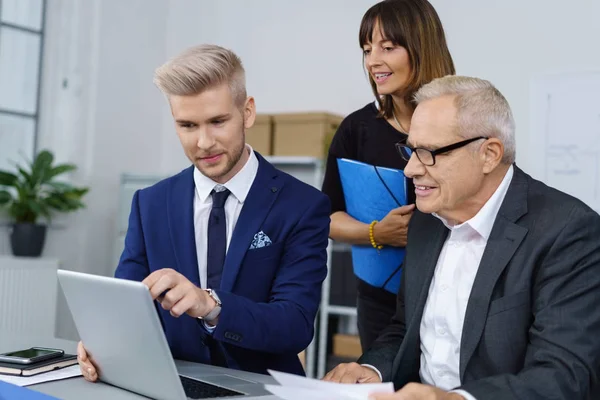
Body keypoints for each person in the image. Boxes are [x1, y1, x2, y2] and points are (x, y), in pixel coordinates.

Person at [323, 76, 600, 400]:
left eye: (428, 152)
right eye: (410, 150)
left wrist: (455, 399)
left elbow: (563, 377)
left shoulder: (567, 232)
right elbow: (405, 329)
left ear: (489, 154)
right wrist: (372, 370)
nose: (410, 169)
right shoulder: (426, 221)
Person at [77, 44, 330, 380]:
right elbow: (127, 305)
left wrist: (211, 306)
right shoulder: (149, 203)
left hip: (262, 388)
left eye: (217, 121)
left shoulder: (302, 205)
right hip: (169, 383)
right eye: (188, 126)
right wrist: (103, 341)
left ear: (248, 112)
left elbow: (295, 325)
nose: (203, 142)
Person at [321, 0, 455, 351]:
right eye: (367, 50)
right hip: (379, 302)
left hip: (451, 296)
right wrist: (377, 233)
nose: (373, 61)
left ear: (420, 47)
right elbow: (326, 218)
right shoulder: (356, 129)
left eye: (388, 47)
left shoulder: (465, 121)